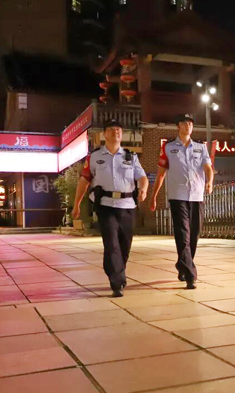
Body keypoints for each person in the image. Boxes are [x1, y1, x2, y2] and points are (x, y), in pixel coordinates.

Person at [72, 119, 148, 297]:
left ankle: (118, 271)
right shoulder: (95, 157)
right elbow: (84, 180)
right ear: (104, 134)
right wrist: (76, 204)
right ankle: (116, 282)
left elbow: (142, 177)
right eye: (112, 129)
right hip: (105, 206)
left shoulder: (130, 156)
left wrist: (143, 189)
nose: (116, 132)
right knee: (111, 243)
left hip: (127, 206)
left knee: (124, 245)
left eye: (119, 129)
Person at [149, 114, 213, 289]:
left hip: (197, 196)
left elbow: (208, 167)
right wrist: (153, 196)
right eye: (184, 123)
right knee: (183, 234)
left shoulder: (200, 147)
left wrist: (209, 181)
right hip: (178, 196)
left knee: (194, 234)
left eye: (190, 123)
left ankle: (182, 264)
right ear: (178, 126)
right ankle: (191, 275)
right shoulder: (168, 147)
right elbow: (161, 174)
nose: (188, 126)